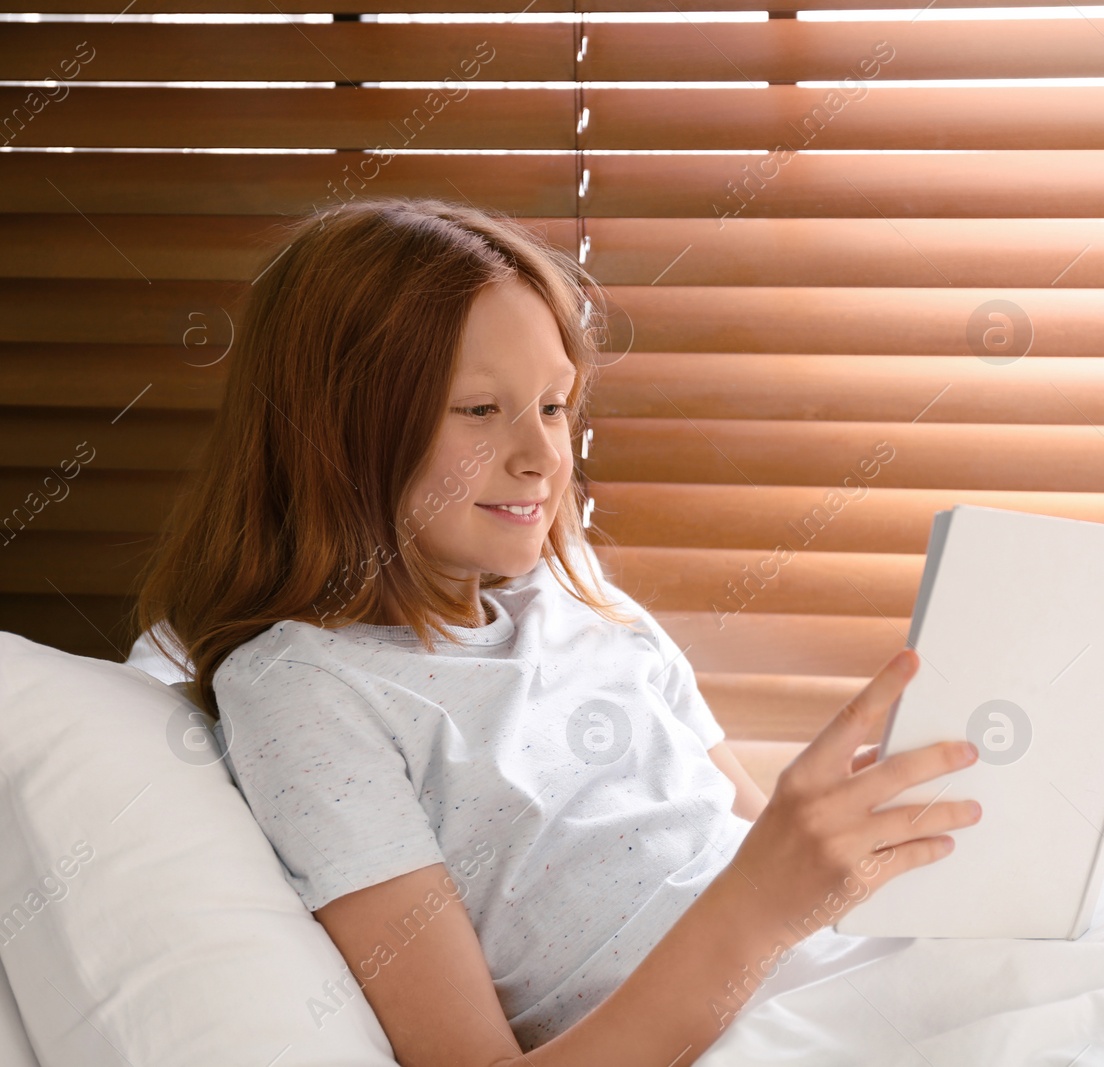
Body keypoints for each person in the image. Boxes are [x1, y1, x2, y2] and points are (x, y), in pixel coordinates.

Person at [130, 197, 982, 1066]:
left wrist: (847, 838)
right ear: (338, 433)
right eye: (478, 410)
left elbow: (768, 862)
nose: (542, 454)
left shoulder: (580, 602)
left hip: (850, 986)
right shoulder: (308, 691)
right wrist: (766, 898)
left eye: (553, 404)